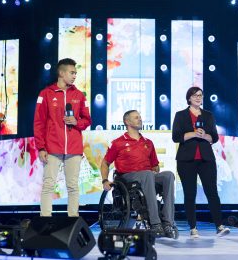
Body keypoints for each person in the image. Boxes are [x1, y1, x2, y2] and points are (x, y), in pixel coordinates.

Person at [100, 110, 177, 238]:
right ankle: (155, 223)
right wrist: (104, 180)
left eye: (140, 117)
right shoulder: (118, 143)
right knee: (147, 174)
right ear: (127, 121)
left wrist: (155, 169)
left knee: (168, 175)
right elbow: (105, 163)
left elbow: (155, 166)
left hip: (147, 176)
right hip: (127, 177)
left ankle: (168, 223)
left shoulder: (148, 142)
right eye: (136, 118)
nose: (140, 119)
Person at [34, 58, 91, 217]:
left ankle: (73, 220)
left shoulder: (79, 95)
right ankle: (45, 220)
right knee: (48, 185)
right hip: (52, 148)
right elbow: (39, 122)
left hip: (73, 148)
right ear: (61, 73)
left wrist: (76, 121)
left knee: (73, 186)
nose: (74, 76)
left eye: (75, 73)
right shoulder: (45, 94)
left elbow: (87, 120)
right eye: (72, 73)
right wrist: (41, 147)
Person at [172, 86, 230, 238]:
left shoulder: (208, 115)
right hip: (186, 160)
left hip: (206, 159)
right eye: (195, 95)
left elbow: (214, 138)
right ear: (189, 98)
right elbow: (176, 136)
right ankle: (193, 228)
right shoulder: (180, 115)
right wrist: (192, 134)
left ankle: (219, 225)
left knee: (212, 192)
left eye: (200, 95)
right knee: (190, 193)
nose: (198, 97)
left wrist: (204, 136)